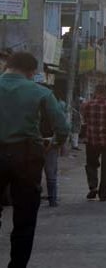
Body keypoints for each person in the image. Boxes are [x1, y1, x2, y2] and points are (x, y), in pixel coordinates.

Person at [0, 52, 69, 267]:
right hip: (27, 157)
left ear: (6, 66)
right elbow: (62, 127)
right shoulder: (40, 92)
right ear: (31, 72)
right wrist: (55, 143)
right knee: (25, 217)